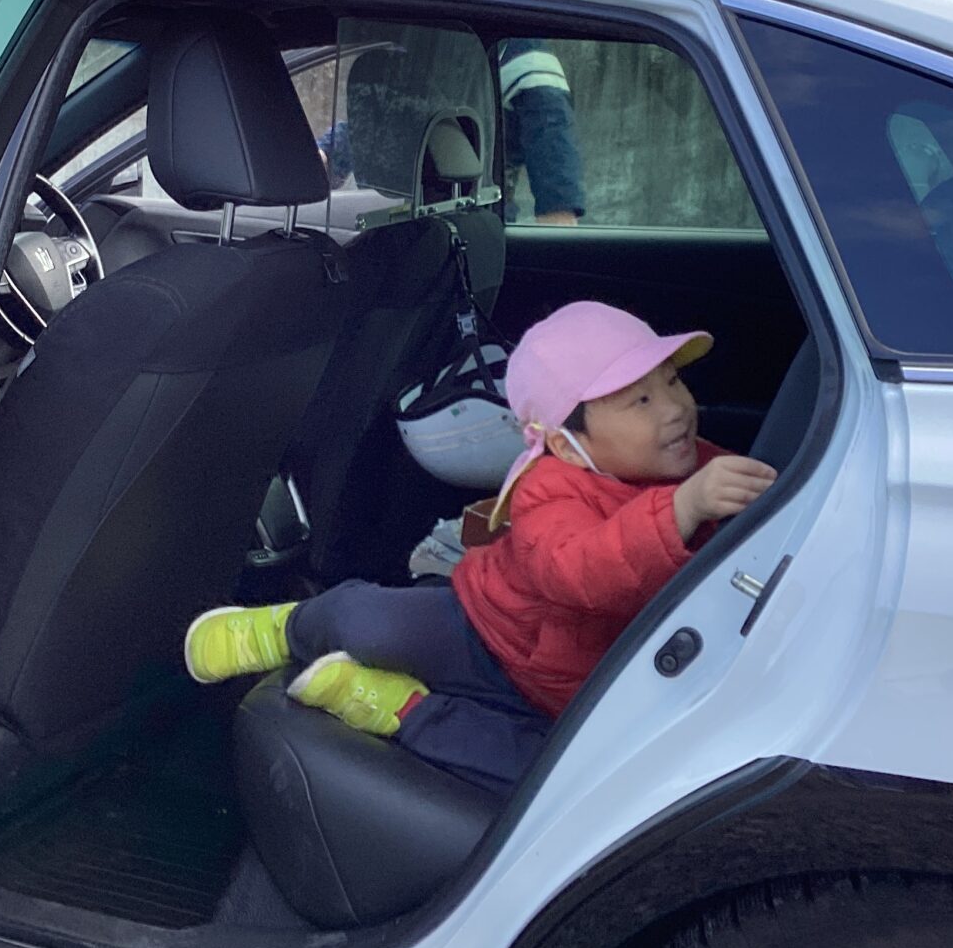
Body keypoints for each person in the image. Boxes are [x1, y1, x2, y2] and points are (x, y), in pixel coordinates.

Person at [184, 301, 778, 794]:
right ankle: (283, 629)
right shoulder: (549, 488)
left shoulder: (697, 468)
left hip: (573, 690)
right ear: (566, 445)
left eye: (672, 381)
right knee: (366, 621)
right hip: (486, 628)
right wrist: (680, 511)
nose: (675, 409)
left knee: (556, 779)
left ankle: (398, 709)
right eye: (640, 401)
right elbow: (576, 571)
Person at [316, 39, 586, 225]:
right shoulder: (426, 44)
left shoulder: (525, 61)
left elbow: (552, 145)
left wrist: (558, 213)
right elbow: (389, 114)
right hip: (409, 213)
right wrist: (326, 154)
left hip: (479, 213)